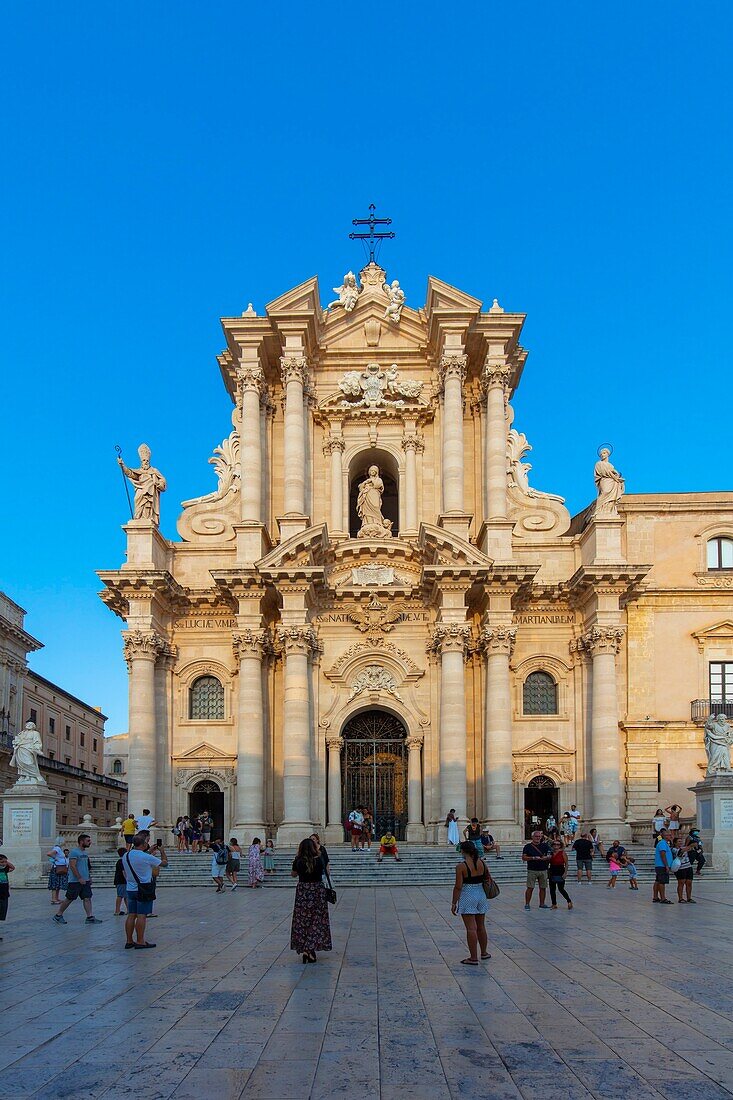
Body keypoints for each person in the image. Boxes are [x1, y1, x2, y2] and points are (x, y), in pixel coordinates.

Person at [290, 837, 332, 964]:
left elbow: (293, 874)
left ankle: (305, 949)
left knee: (302, 920)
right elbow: (327, 873)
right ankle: (310, 949)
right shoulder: (319, 859)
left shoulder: (298, 860)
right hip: (317, 891)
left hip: (303, 892)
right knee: (317, 920)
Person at [122, 832, 167, 949]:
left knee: (131, 915)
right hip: (143, 889)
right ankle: (140, 941)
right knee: (142, 915)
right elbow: (164, 864)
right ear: (144, 843)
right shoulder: (146, 857)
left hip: (130, 889)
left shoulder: (126, 855)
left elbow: (139, 858)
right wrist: (162, 851)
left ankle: (129, 940)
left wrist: (148, 851)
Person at [451, 841, 491, 965]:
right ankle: (484, 953)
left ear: (463, 851)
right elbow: (488, 877)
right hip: (481, 894)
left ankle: (473, 957)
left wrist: (454, 903)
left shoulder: (461, 866)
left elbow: (458, 886)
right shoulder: (482, 863)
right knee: (481, 926)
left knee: (471, 928)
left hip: (468, 894)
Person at [53, 833, 102, 924]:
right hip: (75, 881)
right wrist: (79, 878)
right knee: (69, 898)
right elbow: (72, 866)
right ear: (81, 841)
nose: (90, 842)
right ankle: (58, 915)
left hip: (85, 880)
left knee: (87, 898)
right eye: (88, 841)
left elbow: (86, 866)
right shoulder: (74, 852)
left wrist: (88, 877)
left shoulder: (84, 853)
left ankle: (89, 917)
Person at [522, 830, 551, 910]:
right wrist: (533, 858)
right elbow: (524, 857)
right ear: (532, 837)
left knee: (543, 887)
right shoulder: (527, 846)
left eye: (539, 836)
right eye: (536, 836)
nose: (538, 838)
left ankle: (542, 903)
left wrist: (547, 857)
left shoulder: (545, 846)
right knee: (530, 887)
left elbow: (550, 854)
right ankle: (527, 904)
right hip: (532, 869)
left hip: (543, 869)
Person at [548, 840, 573, 910]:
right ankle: (554, 904)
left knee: (561, 889)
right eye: (554, 844)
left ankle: (569, 901)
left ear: (560, 845)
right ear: (552, 845)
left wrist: (565, 873)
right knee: (552, 889)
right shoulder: (551, 853)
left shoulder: (563, 853)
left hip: (560, 871)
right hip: (552, 871)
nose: (556, 845)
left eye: (558, 844)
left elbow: (566, 863)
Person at [653, 827, 673, 904]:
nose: (670, 836)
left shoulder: (664, 843)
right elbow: (663, 855)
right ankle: (663, 898)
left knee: (658, 881)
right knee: (662, 882)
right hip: (662, 865)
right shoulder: (662, 843)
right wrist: (666, 865)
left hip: (660, 865)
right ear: (664, 836)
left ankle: (655, 897)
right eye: (668, 835)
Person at [674, 838, 697, 903]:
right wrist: (690, 845)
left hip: (688, 866)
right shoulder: (674, 849)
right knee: (681, 883)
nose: (680, 842)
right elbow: (680, 852)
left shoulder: (685, 848)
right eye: (679, 841)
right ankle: (680, 898)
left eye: (681, 841)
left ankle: (689, 898)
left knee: (689, 883)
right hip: (681, 868)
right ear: (675, 843)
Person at [46, 836, 68, 904]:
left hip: (60, 867)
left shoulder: (59, 849)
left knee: (58, 883)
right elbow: (49, 853)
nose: (65, 842)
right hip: (57, 868)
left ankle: (56, 898)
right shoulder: (57, 848)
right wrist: (55, 858)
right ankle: (53, 899)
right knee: (55, 883)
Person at [0, 853, 15, 940]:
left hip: (4, 894)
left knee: (1, 914)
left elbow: (13, 868)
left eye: (5, 862)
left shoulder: (5, 869)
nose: (4, 863)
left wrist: (5, 861)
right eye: (2, 862)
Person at [113, 847, 128, 915]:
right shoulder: (121, 861)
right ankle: (117, 910)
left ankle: (129, 910)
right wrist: (127, 879)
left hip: (121, 881)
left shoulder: (121, 861)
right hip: (121, 881)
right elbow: (123, 871)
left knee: (126, 896)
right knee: (120, 895)